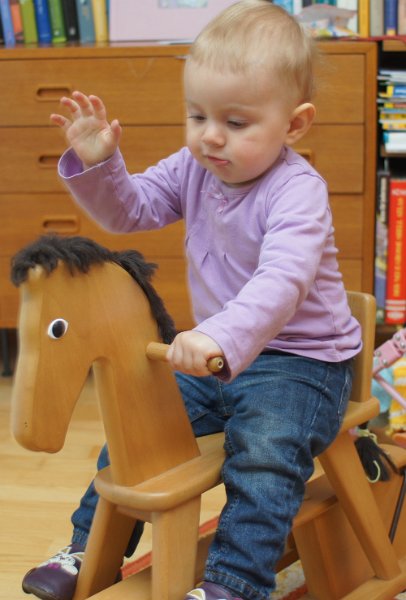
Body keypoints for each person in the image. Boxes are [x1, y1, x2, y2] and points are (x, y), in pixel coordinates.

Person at [22, 2, 361, 600]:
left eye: (236, 122)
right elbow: (130, 211)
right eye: (197, 114)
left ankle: (235, 583)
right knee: (135, 428)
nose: (210, 135)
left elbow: (282, 281)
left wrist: (217, 335)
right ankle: (86, 550)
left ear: (295, 125)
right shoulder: (194, 168)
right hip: (216, 358)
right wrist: (100, 165)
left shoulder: (297, 192)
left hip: (304, 364)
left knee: (263, 453)